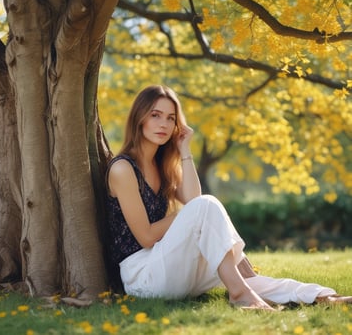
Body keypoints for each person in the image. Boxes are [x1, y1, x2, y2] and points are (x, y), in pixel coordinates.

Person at [105, 84, 351, 310]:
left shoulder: (162, 165)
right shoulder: (123, 168)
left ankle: (321, 297)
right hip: (144, 278)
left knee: (241, 275)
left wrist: (185, 149)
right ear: (139, 118)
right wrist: (186, 218)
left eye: (171, 118)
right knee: (207, 207)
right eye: (155, 115)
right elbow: (147, 237)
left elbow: (193, 199)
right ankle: (239, 293)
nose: (164, 125)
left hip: (169, 268)